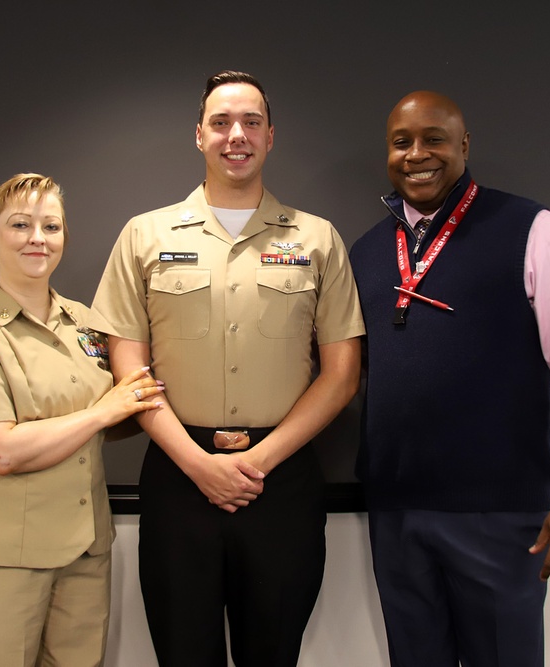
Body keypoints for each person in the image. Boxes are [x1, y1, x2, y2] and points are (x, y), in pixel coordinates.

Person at [87, 70, 365, 667]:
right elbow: (127, 370)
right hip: (178, 476)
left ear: (271, 137)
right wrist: (199, 466)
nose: (235, 135)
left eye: (251, 122)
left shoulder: (317, 240)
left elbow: (341, 375)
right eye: (221, 122)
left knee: (274, 652)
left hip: (281, 479)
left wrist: (255, 462)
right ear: (199, 135)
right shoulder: (145, 235)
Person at [349, 91, 550, 667]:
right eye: (402, 142)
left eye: (434, 139)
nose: (416, 154)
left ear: (464, 146)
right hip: (398, 515)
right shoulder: (369, 251)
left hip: (500, 516)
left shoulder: (531, 228)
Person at [0, 173, 164, 667]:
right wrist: (103, 411)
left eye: (51, 226)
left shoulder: (85, 321)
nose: (38, 238)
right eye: (21, 224)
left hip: (83, 551)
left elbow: (120, 410)